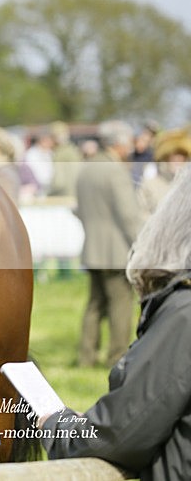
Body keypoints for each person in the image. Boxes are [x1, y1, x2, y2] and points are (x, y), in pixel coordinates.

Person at [39, 164, 191, 481]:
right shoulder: (116, 171)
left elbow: (123, 431)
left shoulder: (183, 313)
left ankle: (94, 354)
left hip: (100, 249)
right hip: (115, 248)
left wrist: (57, 426)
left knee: (101, 308)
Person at [74, 120, 144, 367]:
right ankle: (117, 358)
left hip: (92, 248)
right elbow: (128, 215)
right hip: (116, 251)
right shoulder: (116, 171)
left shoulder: (87, 168)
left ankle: (86, 356)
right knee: (121, 306)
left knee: (94, 305)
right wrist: (142, 246)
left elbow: (77, 209)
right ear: (119, 144)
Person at [137, 128, 191, 214]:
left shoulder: (188, 186)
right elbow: (141, 215)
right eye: (174, 155)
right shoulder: (150, 185)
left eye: (182, 155)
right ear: (166, 156)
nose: (178, 159)